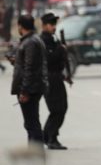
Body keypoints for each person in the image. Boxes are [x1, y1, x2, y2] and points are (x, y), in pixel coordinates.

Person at [11, 15, 48, 144]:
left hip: (31, 89)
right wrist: (16, 61)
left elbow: (30, 68)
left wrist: (25, 91)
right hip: (33, 87)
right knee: (31, 123)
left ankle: (36, 156)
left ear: (20, 26)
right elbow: (29, 64)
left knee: (32, 124)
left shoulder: (30, 42)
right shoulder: (31, 40)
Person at [40, 13, 72, 150]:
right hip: (49, 78)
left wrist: (67, 75)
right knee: (57, 109)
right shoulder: (43, 41)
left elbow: (61, 59)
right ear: (44, 25)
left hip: (57, 77)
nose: (54, 27)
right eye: (51, 24)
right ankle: (50, 137)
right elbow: (48, 58)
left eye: (54, 24)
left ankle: (48, 136)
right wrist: (60, 50)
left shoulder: (53, 38)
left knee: (62, 108)